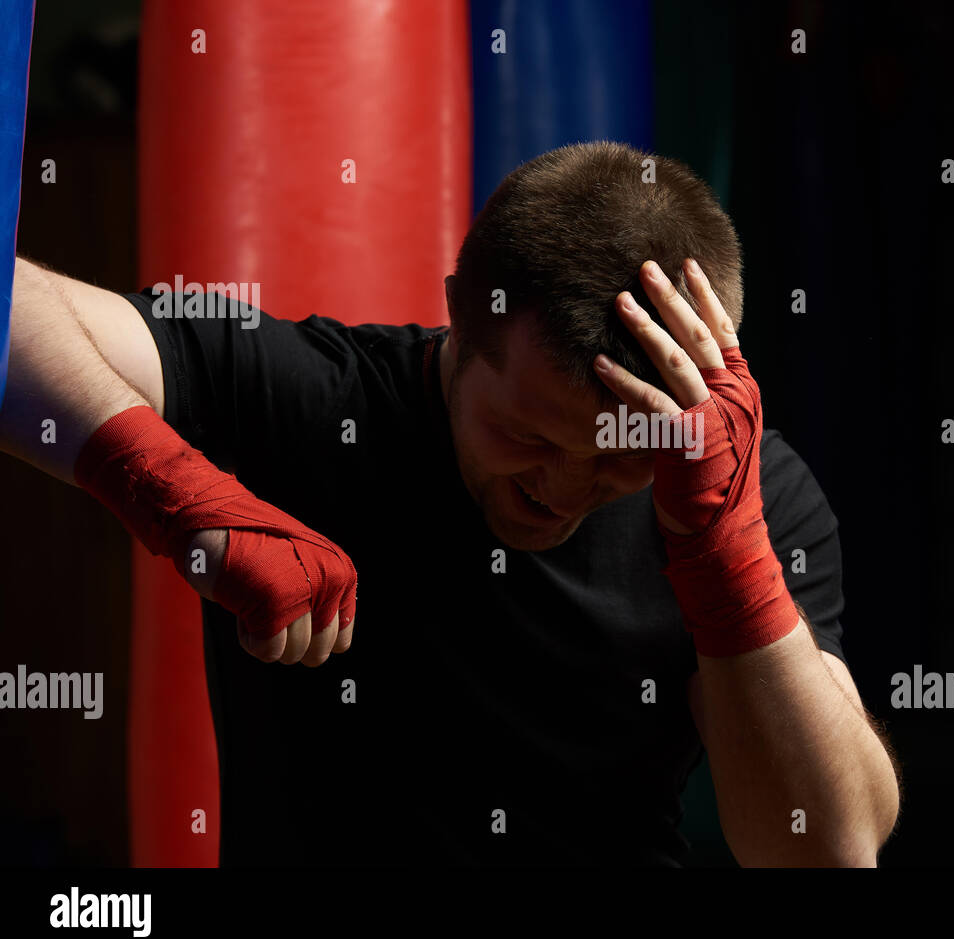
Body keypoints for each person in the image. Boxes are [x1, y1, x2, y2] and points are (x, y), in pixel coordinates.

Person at [0, 142, 899, 867]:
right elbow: (11, 310)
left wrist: (725, 543)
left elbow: (824, 849)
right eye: (530, 440)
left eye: (616, 463)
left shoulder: (752, 491)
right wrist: (170, 485)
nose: (562, 489)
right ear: (460, 323)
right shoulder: (320, 401)